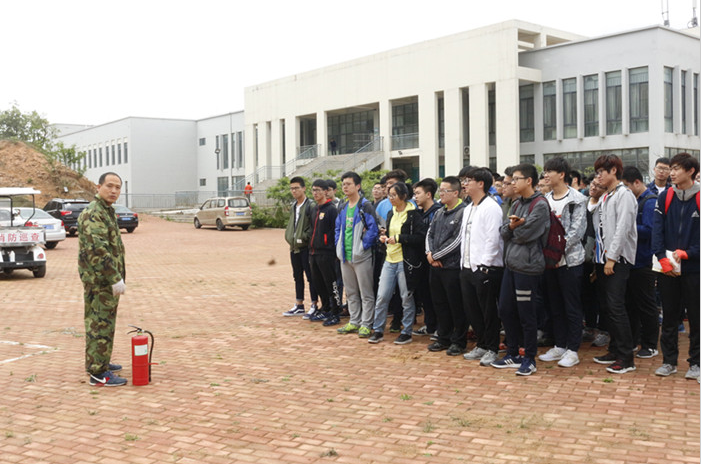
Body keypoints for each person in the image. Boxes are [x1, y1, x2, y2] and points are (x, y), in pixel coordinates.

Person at [492, 163, 550, 376]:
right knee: (506, 309)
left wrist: (514, 229)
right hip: (511, 265)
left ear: (529, 180)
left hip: (527, 267)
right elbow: (503, 231)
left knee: (527, 314)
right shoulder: (516, 204)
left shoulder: (540, 204)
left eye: (516, 179)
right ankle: (513, 353)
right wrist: (514, 226)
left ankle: (529, 358)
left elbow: (525, 235)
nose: (512, 183)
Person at [652, 153, 700, 380]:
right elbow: (657, 229)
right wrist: (661, 256)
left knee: (696, 318)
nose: (671, 173)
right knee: (669, 317)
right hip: (668, 268)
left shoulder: (699, 197)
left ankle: (696, 363)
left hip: (694, 269)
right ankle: (669, 362)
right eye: (671, 168)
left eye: (677, 168)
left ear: (691, 171)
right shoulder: (666, 196)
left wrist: (689, 253)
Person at [590, 154, 638, 374]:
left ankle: (626, 358)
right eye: (597, 172)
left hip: (617, 259)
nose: (598, 176)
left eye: (602, 171)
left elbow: (622, 229)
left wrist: (612, 258)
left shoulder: (624, 195)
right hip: (603, 258)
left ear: (614, 171)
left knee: (616, 307)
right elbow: (598, 225)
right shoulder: (607, 195)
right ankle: (615, 349)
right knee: (608, 307)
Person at [79, 172, 128, 387]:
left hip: (104, 280)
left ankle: (99, 361)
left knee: (104, 323)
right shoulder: (94, 213)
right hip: (100, 281)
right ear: (98, 187)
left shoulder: (106, 211)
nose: (114, 191)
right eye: (109, 186)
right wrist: (114, 277)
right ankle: (98, 373)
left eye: (117, 187)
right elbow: (98, 249)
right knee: (100, 325)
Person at [538, 157, 587, 368]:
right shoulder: (544, 199)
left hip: (570, 262)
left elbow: (577, 231)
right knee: (554, 305)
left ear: (562, 174)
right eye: (545, 171)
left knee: (571, 307)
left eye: (550, 171)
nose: (546, 175)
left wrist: (557, 252)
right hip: (549, 262)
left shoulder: (577, 199)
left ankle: (573, 350)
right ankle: (559, 345)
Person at [369, 182, 427, 344]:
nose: (391, 198)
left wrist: (400, 238)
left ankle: (407, 331)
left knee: (406, 297)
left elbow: (420, 237)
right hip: (389, 259)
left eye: (394, 195)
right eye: (389, 195)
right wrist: (385, 237)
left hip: (405, 261)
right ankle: (378, 330)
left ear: (403, 196)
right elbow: (390, 233)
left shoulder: (414, 214)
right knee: (382, 296)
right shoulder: (391, 213)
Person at [459, 168, 504, 367]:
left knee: (488, 311)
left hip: (485, 268)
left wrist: (484, 265)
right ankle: (482, 344)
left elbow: (492, 239)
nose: (465, 184)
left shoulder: (491, 207)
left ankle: (493, 348)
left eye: (469, 180)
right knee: (472, 309)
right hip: (467, 266)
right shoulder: (468, 208)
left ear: (481, 184)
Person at [425, 176, 468, 356]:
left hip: (452, 268)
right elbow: (430, 234)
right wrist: (429, 254)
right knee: (440, 303)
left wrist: (435, 255)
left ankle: (458, 341)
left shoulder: (463, 212)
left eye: (445, 191)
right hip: (435, 266)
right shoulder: (439, 212)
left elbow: (457, 241)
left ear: (456, 193)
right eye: (440, 191)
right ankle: (443, 337)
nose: (441, 194)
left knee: (456, 305)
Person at [621, 166, 660, 359]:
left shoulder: (650, 202)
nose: (626, 191)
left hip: (644, 262)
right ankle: (634, 340)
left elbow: (650, 230)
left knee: (646, 305)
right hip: (631, 261)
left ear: (637, 182)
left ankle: (650, 344)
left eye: (627, 186)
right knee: (631, 304)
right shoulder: (635, 200)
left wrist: (627, 227)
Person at [335, 172, 379, 338]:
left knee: (366, 292)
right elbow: (338, 228)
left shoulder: (365, 206)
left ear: (358, 186)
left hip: (361, 257)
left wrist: (362, 247)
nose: (345, 187)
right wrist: (338, 246)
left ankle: (366, 324)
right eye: (343, 184)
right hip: (345, 256)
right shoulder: (342, 206)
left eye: (349, 184)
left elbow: (373, 229)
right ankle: (354, 321)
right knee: (351, 292)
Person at [282, 177, 319, 318]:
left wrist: (304, 237)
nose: (294, 191)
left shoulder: (310, 205)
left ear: (304, 188)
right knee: (297, 276)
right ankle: (299, 304)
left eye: (296, 188)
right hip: (294, 247)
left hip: (305, 248)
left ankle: (314, 304)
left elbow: (313, 227)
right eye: (292, 188)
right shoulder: (294, 206)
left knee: (311, 277)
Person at [307, 180, 342, 326]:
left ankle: (336, 312)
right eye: (313, 190)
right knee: (318, 283)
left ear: (325, 191)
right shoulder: (314, 209)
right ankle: (326, 308)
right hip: (314, 252)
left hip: (327, 253)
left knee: (331, 284)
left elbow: (335, 231)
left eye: (318, 190)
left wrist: (333, 250)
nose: (315, 193)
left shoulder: (331, 210)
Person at [411, 178, 442, 338]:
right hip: (421, 261)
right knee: (425, 295)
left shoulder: (437, 212)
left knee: (436, 296)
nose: (415, 197)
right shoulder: (419, 213)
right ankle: (430, 325)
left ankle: (439, 327)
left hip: (434, 260)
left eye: (418, 193)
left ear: (428, 194)